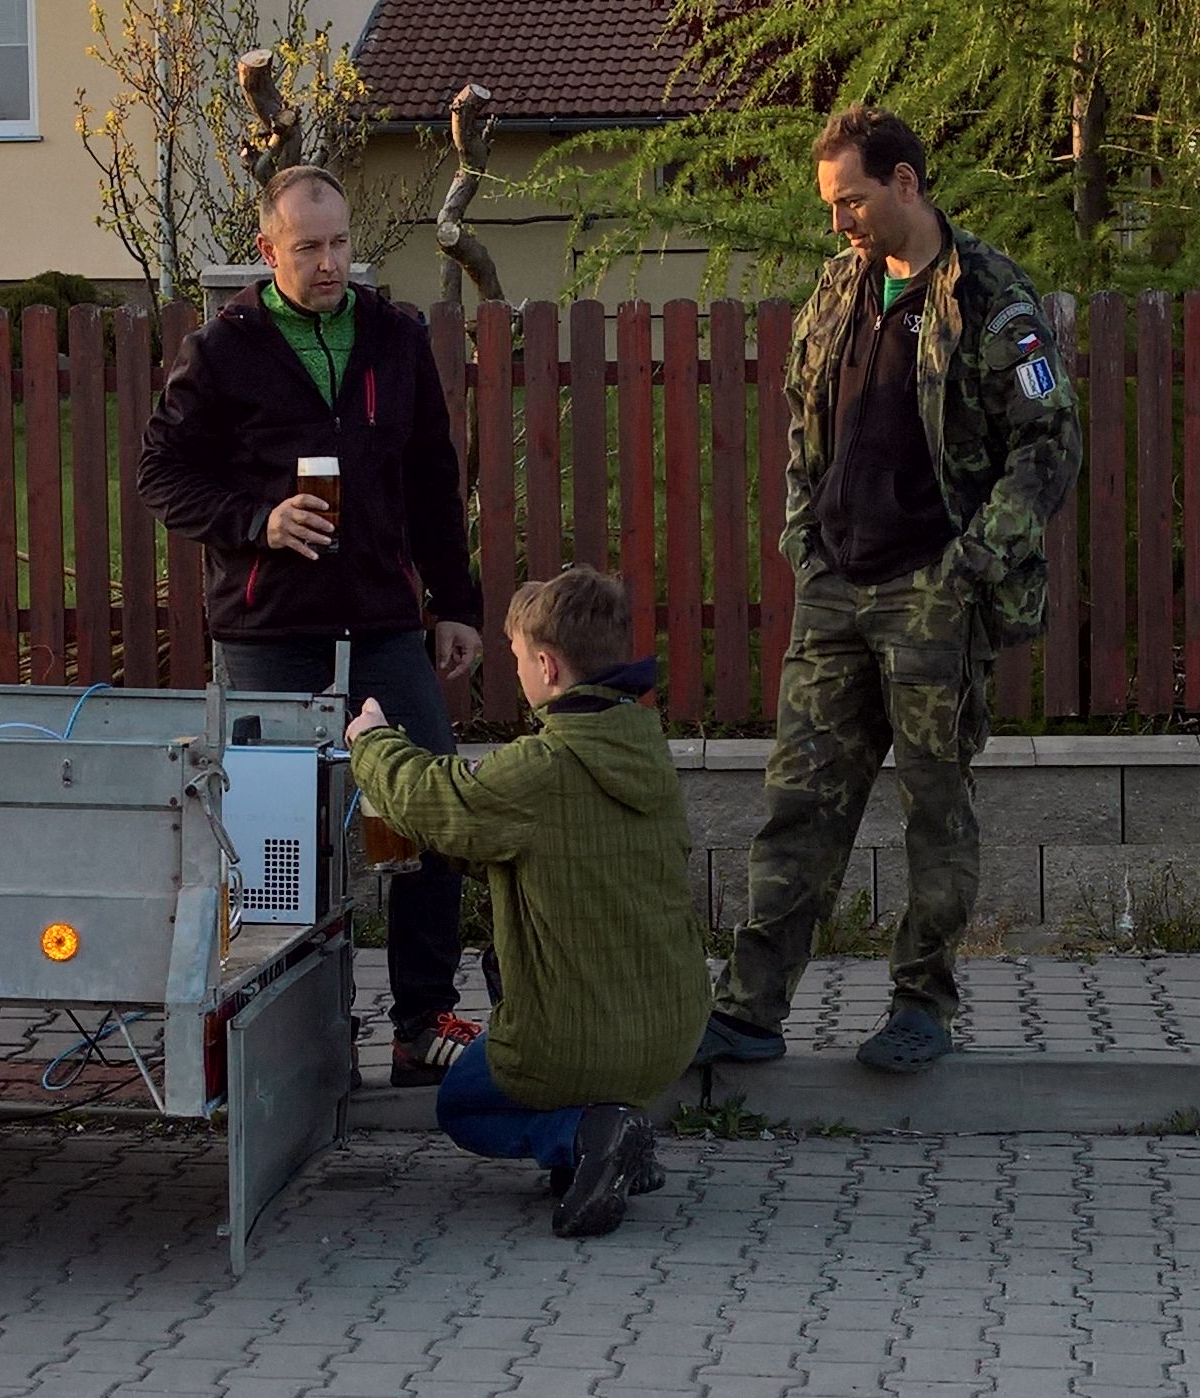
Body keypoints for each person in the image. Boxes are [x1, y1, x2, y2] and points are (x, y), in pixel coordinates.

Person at [696, 104, 1081, 1074]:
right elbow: (800, 417)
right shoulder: (837, 288)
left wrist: (970, 564)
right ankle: (749, 1011)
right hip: (834, 587)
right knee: (798, 805)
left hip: (931, 593)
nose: (838, 222)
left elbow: (1049, 445)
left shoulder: (991, 299)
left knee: (931, 807)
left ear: (904, 182)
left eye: (851, 200)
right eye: (831, 205)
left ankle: (921, 1003)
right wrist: (801, 533)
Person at [138, 165, 484, 1086]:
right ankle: (274, 1040)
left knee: (427, 815)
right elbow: (162, 476)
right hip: (268, 632)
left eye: (339, 245)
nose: (331, 264)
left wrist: (454, 606)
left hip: (381, 624)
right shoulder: (222, 350)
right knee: (268, 839)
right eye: (308, 249)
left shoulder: (395, 336)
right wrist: (261, 520)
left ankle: (421, 1024)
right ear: (268, 251)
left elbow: (432, 483)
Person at [345, 567, 709, 1237]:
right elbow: (527, 840)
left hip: (577, 1038)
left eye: (515, 659)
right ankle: (603, 1143)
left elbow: (436, 794)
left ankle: (584, 1135)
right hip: (671, 1029)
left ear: (546, 665)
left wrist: (372, 743)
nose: (515, 673)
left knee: (463, 1106)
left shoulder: (540, 766)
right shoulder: (643, 746)